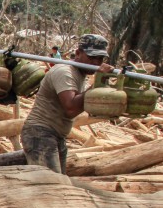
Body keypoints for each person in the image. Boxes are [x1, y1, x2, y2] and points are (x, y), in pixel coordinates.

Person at [21, 34, 114, 173]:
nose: (96, 63)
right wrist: (96, 84)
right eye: (91, 57)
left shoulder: (81, 75)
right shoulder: (65, 71)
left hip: (57, 135)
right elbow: (70, 108)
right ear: (78, 53)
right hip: (40, 133)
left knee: (59, 183)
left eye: (99, 59)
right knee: (50, 185)